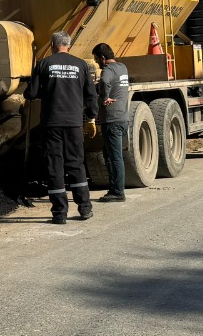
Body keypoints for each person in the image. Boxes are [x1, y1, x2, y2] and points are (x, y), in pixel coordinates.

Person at [27, 31, 98, 224]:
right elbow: (91, 95)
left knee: (54, 166)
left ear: (52, 44)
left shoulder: (44, 64)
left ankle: (59, 214)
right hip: (74, 123)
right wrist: (91, 117)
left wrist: (35, 87)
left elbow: (31, 94)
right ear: (69, 45)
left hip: (51, 124)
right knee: (76, 164)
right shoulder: (81, 65)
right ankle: (84, 208)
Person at [92, 42, 131, 202]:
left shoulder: (107, 70)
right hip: (122, 117)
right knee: (110, 155)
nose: (96, 63)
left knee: (115, 157)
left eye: (96, 59)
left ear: (102, 58)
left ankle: (118, 192)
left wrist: (103, 98)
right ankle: (114, 188)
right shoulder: (122, 67)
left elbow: (105, 82)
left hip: (112, 119)